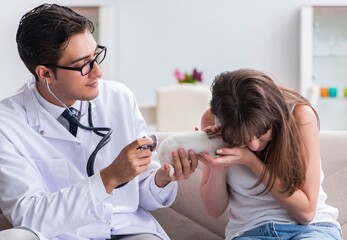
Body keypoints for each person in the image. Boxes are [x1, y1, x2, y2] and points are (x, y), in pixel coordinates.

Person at [0, 3, 198, 240]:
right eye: (83, 64)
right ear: (45, 74)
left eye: (96, 56)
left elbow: (143, 192)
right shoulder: (7, 124)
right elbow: (30, 215)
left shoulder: (119, 97)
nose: (98, 72)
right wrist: (108, 178)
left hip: (126, 230)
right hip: (60, 235)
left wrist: (162, 178)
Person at [198, 69, 342, 240]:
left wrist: (250, 161)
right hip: (250, 231)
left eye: (261, 134)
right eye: (241, 139)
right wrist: (218, 165)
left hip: (311, 229)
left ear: (274, 115)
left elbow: (306, 212)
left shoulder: (300, 116)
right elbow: (214, 210)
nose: (254, 145)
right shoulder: (212, 120)